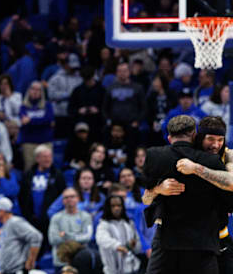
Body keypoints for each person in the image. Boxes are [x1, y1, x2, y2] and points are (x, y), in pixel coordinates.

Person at [142, 115, 232, 274]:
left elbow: (145, 199)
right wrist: (158, 189)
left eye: (220, 139)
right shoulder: (211, 160)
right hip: (201, 240)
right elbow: (146, 198)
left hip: (184, 239)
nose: (215, 144)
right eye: (211, 139)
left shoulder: (155, 156)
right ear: (196, 135)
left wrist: (196, 168)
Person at [19, 145, 66, 236]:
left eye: (50, 157)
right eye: (45, 157)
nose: (48, 159)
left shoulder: (57, 175)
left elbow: (62, 195)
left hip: (51, 219)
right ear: (37, 158)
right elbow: (22, 196)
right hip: (32, 219)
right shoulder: (28, 175)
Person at [0, 197, 42, 273]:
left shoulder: (15, 222)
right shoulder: (5, 226)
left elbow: (36, 236)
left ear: (2, 211)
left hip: (18, 270)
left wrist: (31, 260)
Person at [95, 195, 141, 274]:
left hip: (131, 268)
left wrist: (133, 245)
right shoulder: (103, 224)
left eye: (119, 205)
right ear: (108, 208)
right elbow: (101, 238)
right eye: (113, 206)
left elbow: (137, 244)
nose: (116, 208)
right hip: (112, 269)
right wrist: (118, 246)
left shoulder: (129, 223)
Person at [48, 188, 93, 268]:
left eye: (72, 196)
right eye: (66, 197)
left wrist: (65, 235)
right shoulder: (56, 217)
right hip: (61, 262)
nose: (69, 199)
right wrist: (77, 237)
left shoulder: (86, 216)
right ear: (62, 200)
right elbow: (53, 239)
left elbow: (87, 237)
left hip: (81, 261)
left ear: (78, 198)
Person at [18, 81, 55, 170]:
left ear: (42, 92)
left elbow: (48, 120)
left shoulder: (48, 105)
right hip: (29, 143)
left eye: (38, 90)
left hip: (45, 142)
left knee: (47, 168)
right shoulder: (23, 107)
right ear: (29, 91)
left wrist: (30, 120)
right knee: (29, 169)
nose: (35, 91)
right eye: (33, 89)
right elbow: (24, 122)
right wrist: (41, 122)